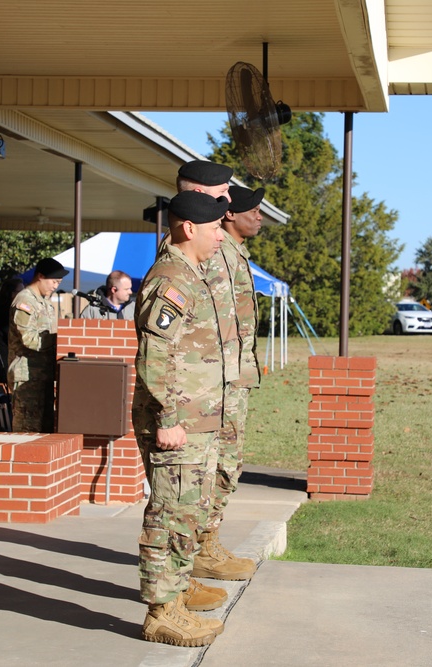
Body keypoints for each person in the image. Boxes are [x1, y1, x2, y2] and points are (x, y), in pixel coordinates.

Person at [132, 190, 230, 647]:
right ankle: (161, 612)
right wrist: (168, 417)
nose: (219, 236)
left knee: (188, 511)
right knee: (170, 513)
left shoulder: (191, 273)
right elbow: (155, 353)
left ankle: (176, 598)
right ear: (188, 228)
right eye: (214, 229)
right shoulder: (172, 278)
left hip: (197, 419)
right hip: (176, 423)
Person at [193, 185, 266, 583]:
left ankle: (209, 540)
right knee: (214, 466)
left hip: (235, 378)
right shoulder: (218, 255)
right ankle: (201, 547)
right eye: (253, 210)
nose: (259, 217)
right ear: (230, 215)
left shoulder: (236, 254)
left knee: (228, 464)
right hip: (218, 380)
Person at [7, 257, 69, 432]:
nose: (55, 286)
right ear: (40, 276)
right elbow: (29, 339)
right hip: (27, 376)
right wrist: (60, 339)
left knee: (44, 429)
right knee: (27, 430)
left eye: (59, 282)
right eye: (54, 281)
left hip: (43, 375)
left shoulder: (46, 304)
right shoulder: (25, 301)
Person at [0, 277, 25, 385]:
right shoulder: (5, 313)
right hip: (6, 364)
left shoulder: (11, 310)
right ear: (10, 293)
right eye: (20, 291)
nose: (23, 295)